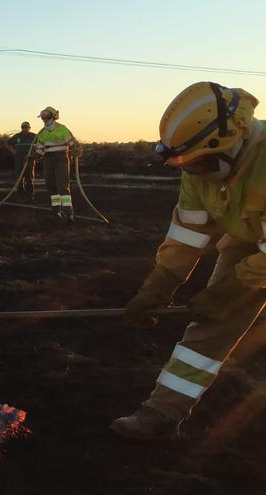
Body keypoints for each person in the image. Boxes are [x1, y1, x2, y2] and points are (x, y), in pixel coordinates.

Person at [112, 82, 265, 441]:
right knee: (211, 326)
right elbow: (188, 234)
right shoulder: (198, 169)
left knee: (224, 300)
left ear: (231, 146)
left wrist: (232, 290)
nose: (193, 172)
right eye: (186, 165)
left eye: (200, 164)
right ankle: (163, 414)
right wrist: (159, 285)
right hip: (248, 239)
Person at [33, 106, 80, 222]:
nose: (44, 119)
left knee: (63, 186)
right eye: (43, 117)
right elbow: (40, 149)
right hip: (48, 159)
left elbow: (73, 143)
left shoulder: (62, 129)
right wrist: (35, 156)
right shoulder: (42, 133)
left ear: (53, 116)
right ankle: (56, 211)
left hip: (61, 158)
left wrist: (77, 149)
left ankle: (68, 213)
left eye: (46, 116)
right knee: (51, 186)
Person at [5, 121, 37, 202]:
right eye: (23, 127)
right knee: (19, 177)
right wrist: (13, 151)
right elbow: (7, 143)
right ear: (21, 128)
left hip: (29, 160)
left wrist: (35, 153)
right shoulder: (17, 136)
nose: (25, 129)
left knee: (29, 178)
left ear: (29, 128)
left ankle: (30, 195)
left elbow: (41, 144)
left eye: (26, 127)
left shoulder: (34, 136)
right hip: (19, 160)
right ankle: (20, 194)